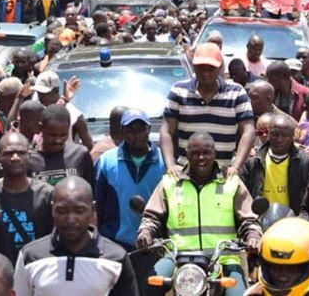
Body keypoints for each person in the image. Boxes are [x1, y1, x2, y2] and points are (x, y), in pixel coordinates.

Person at [137, 133, 261, 296]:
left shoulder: (231, 181)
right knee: (148, 286)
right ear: (186, 154)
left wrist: (253, 235)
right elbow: (152, 217)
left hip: (224, 259)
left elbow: (249, 218)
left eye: (206, 153)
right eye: (195, 153)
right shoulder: (170, 182)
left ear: (214, 154)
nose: (201, 157)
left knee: (237, 294)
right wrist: (145, 232)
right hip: (177, 258)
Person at [161, 42, 254, 175]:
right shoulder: (179, 91)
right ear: (193, 67)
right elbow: (166, 131)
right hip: (185, 176)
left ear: (220, 67)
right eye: (201, 68)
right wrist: (171, 165)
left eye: (210, 68)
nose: (205, 73)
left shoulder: (237, 93)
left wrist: (236, 167)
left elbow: (248, 131)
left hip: (223, 176)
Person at [0, 133, 54, 264]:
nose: (15, 158)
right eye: (9, 153)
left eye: (21, 153)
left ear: (29, 155)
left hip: (38, 272)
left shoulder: (47, 194)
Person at [94, 110, 165, 250]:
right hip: (114, 244)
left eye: (141, 129)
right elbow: (97, 206)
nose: (136, 134)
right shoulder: (106, 162)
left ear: (149, 129)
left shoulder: (165, 163)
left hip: (155, 244)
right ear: (122, 131)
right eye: (130, 130)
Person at [242, 113, 309, 216]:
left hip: (293, 222)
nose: (279, 139)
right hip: (260, 221)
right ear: (269, 134)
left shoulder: (306, 162)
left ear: (292, 136)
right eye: (275, 134)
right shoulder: (253, 161)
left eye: (285, 135)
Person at [29, 104, 93, 186]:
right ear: (40, 128)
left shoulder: (80, 155)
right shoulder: (30, 159)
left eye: (63, 135)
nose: (58, 140)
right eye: (52, 135)